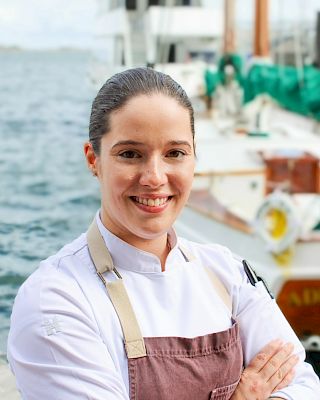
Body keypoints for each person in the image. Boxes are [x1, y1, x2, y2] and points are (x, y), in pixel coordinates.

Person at [7, 67, 320, 399]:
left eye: (175, 153)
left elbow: (305, 385)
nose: (154, 177)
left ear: (194, 158)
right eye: (130, 154)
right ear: (93, 159)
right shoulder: (55, 301)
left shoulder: (228, 273)